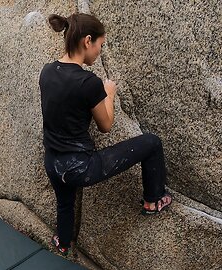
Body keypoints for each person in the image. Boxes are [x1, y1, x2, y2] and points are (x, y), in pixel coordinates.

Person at [39, 13, 172, 256]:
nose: (100, 51)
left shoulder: (47, 71)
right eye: (101, 45)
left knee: (65, 203)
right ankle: (154, 199)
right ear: (87, 41)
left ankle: (63, 243)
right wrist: (108, 92)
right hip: (80, 167)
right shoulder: (88, 82)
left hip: (53, 162)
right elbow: (106, 125)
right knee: (152, 142)